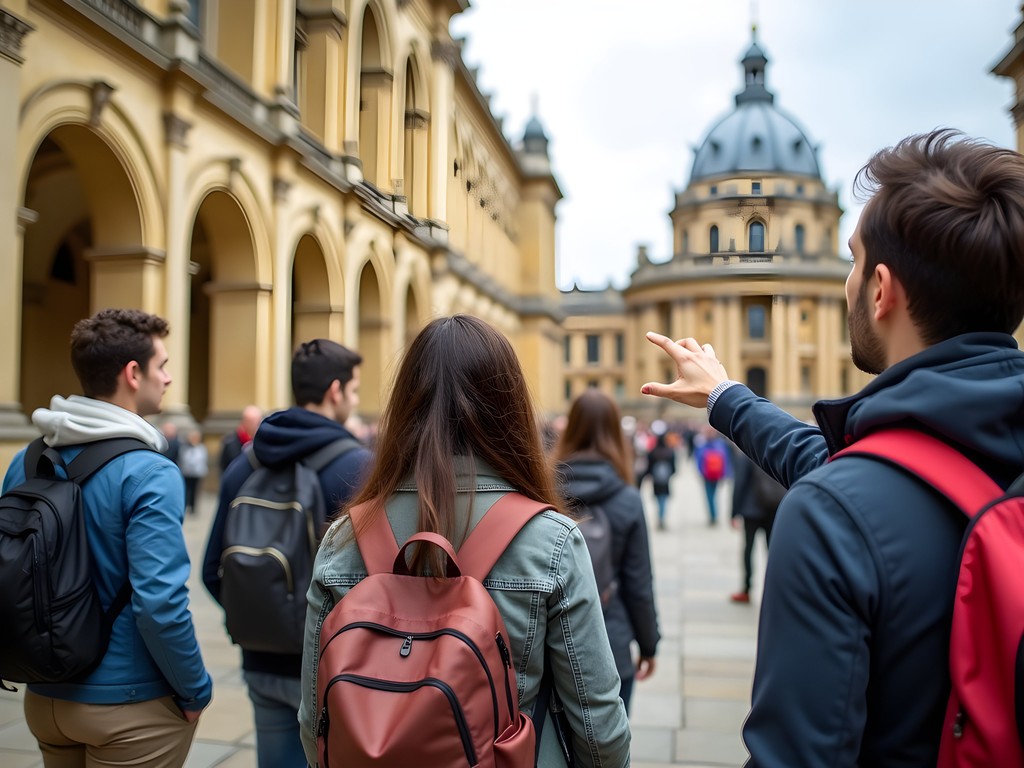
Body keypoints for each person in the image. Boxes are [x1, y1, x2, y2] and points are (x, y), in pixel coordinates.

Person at [640, 129, 1024, 766]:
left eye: (849, 259)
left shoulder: (833, 515)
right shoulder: (877, 478)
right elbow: (839, 464)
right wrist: (727, 397)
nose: (842, 281)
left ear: (881, 289)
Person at [298, 315, 631, 767]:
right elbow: (598, 726)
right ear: (508, 406)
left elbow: (313, 716)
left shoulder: (345, 536)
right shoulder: (550, 540)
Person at [2, 308, 212, 766]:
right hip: (129, 708)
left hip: (43, 698)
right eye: (163, 365)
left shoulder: (25, 459)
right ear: (133, 374)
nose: (170, 378)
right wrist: (195, 688)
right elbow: (159, 602)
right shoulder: (151, 471)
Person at [203, 338, 372, 768]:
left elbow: (210, 570)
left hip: (259, 657)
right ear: (335, 391)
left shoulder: (244, 463)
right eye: (354, 391)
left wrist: (264, 616)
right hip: (333, 669)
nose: (354, 401)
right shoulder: (360, 468)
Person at [553, 389, 660, 713]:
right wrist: (648, 643)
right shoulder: (627, 498)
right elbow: (638, 583)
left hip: (553, 643)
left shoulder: (544, 489)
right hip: (610, 642)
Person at [728, 450, 782, 604]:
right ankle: (774, 591)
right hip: (774, 507)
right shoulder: (774, 452)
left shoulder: (747, 453)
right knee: (772, 551)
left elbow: (739, 484)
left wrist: (734, 512)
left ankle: (746, 589)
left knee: (748, 549)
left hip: (751, 510)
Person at [694, 426, 730, 526]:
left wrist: (700, 472)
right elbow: (725, 460)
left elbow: (698, 460)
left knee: (709, 496)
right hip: (716, 474)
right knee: (714, 495)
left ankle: (713, 516)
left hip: (707, 475)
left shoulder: (701, 444)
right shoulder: (721, 444)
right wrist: (725, 474)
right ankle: (714, 515)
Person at [644, 430, 676, 530]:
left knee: (658, 499)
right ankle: (662, 517)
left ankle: (660, 517)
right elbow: (674, 468)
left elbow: (648, 467)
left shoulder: (653, 452)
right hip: (665, 480)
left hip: (656, 480)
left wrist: (648, 476)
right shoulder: (670, 452)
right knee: (663, 499)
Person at [218, 404, 262, 475]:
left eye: (257, 421)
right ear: (244, 421)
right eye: (251, 421)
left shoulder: (262, 441)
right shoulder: (230, 441)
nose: (254, 425)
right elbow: (224, 466)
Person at [177, 429, 208, 516]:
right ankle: (186, 505)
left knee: (195, 490)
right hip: (186, 472)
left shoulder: (201, 448)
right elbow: (182, 459)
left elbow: (202, 460)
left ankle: (193, 508)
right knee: (186, 490)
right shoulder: (185, 447)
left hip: (197, 473)